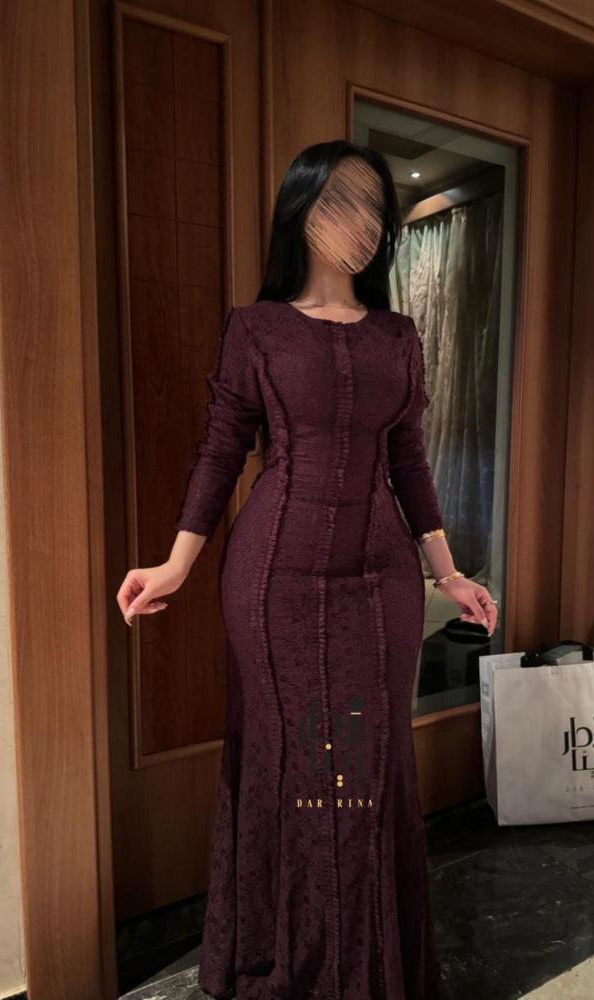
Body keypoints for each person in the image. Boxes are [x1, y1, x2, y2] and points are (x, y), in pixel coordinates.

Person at [117, 140, 498, 1000]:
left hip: (382, 584)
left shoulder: (399, 337)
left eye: (374, 209)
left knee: (363, 765)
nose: (362, 225)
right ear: (298, 210)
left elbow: (409, 462)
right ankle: (286, 962)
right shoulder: (255, 330)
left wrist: (447, 574)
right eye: (339, 203)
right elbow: (221, 451)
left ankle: (367, 969)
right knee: (294, 764)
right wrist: (175, 564)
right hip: (274, 581)